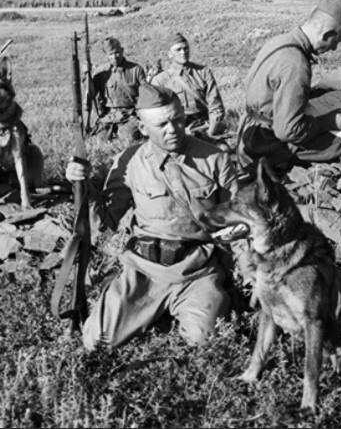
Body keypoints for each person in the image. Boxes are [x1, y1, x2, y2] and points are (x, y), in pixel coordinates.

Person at [65, 83, 238, 350]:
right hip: (144, 271)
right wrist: (83, 187)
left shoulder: (215, 159)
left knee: (206, 341)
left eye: (178, 120)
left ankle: (170, 312)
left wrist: (248, 270)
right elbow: (106, 222)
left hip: (196, 270)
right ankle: (139, 306)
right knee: (96, 341)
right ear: (143, 128)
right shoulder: (129, 162)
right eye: (162, 125)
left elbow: (238, 220)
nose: (173, 130)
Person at [238, 0, 341, 180]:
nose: (334, 48)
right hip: (267, 142)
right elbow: (288, 131)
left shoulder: (281, 42)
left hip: (251, 130)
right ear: (327, 34)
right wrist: (328, 122)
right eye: (337, 41)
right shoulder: (296, 64)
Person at [150, 32, 226, 140]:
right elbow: (159, 115)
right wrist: (180, 132)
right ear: (169, 54)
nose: (183, 52)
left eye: (186, 48)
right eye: (178, 49)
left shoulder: (203, 72)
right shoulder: (160, 81)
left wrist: (211, 131)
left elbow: (216, 105)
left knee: (224, 150)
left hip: (206, 125)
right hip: (179, 130)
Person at [90, 36, 147, 141]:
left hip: (130, 114)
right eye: (110, 54)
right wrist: (87, 77)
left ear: (122, 51)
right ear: (106, 55)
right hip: (109, 115)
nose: (114, 57)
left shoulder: (136, 69)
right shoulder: (101, 72)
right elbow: (91, 94)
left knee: (128, 137)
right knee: (100, 139)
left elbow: (146, 94)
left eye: (117, 53)